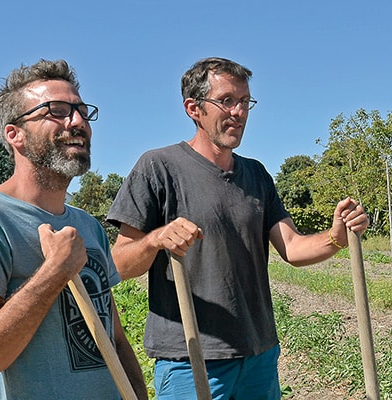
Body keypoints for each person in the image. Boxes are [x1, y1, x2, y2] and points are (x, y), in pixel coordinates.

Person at [106, 56, 368, 400]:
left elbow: (291, 247)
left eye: (245, 102)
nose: (239, 112)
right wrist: (155, 239)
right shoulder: (158, 168)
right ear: (193, 108)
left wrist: (337, 235)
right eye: (227, 101)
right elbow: (118, 265)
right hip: (191, 359)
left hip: (258, 355)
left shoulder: (256, 175)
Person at [0, 59, 147, 399]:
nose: (77, 121)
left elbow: (115, 336)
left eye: (81, 111)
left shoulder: (87, 225)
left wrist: (138, 394)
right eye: (57, 111)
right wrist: (54, 272)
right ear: (14, 134)